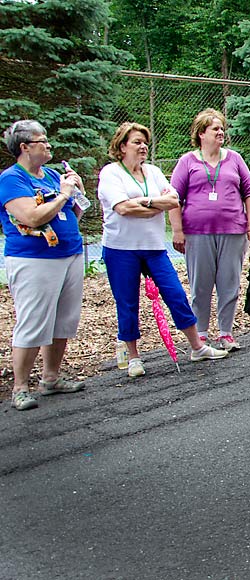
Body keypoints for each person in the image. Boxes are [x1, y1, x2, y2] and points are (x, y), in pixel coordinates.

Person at [97, 122, 229, 378]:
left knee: (175, 294)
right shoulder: (111, 173)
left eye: (145, 142)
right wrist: (154, 205)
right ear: (122, 146)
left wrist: (144, 202)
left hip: (154, 247)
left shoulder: (154, 172)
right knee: (127, 302)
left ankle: (197, 346)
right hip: (121, 248)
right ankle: (133, 357)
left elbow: (173, 200)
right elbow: (122, 208)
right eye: (137, 142)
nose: (143, 146)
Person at [1, 120, 87, 410]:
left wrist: (76, 192)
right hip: (34, 259)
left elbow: (71, 213)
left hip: (69, 254)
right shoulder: (12, 179)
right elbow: (32, 217)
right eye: (42, 141)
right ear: (25, 147)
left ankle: (51, 377)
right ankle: (20, 387)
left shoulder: (51, 174)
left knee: (64, 319)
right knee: (34, 321)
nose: (49, 145)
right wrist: (63, 193)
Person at [168, 108, 250, 352]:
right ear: (201, 134)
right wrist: (177, 230)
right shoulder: (187, 161)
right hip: (197, 232)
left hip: (233, 230)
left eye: (222, 128)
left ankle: (225, 332)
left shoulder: (235, 159)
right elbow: (173, 197)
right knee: (201, 284)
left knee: (229, 281)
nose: (220, 132)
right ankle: (201, 334)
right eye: (215, 129)